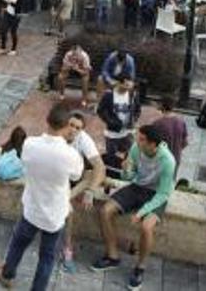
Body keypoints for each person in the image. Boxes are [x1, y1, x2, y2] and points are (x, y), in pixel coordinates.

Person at [0, 105, 84, 290]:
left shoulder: (30, 144)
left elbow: (25, 161)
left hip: (32, 208)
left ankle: (8, 274)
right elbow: (76, 176)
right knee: (47, 257)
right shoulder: (71, 155)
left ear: (47, 121)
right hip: (55, 215)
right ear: (66, 126)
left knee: (18, 244)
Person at [91, 125, 176, 289]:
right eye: (138, 137)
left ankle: (140, 268)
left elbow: (164, 194)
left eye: (142, 139)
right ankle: (112, 256)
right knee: (105, 211)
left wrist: (142, 213)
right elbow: (129, 177)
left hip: (156, 193)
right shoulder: (137, 149)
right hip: (137, 187)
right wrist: (126, 169)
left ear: (153, 144)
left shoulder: (168, 161)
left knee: (146, 226)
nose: (137, 141)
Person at [58, 112, 107, 273]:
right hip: (59, 177)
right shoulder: (58, 133)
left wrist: (90, 192)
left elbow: (100, 167)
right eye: (71, 125)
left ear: (81, 130)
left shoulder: (83, 139)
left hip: (76, 179)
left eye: (77, 128)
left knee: (93, 175)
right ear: (66, 124)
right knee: (69, 212)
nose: (72, 130)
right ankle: (68, 247)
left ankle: (65, 199)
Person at [97, 76, 141, 177]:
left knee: (130, 156)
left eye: (130, 85)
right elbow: (100, 111)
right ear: (119, 83)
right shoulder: (109, 95)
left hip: (128, 132)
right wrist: (110, 122)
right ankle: (110, 178)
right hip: (112, 134)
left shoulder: (132, 95)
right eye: (126, 85)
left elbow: (138, 109)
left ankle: (125, 176)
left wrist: (134, 119)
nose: (128, 88)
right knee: (111, 158)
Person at [150, 97, 189, 167]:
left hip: (161, 160)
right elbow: (185, 143)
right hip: (175, 159)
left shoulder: (157, 123)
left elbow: (151, 145)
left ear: (162, 106)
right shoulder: (181, 122)